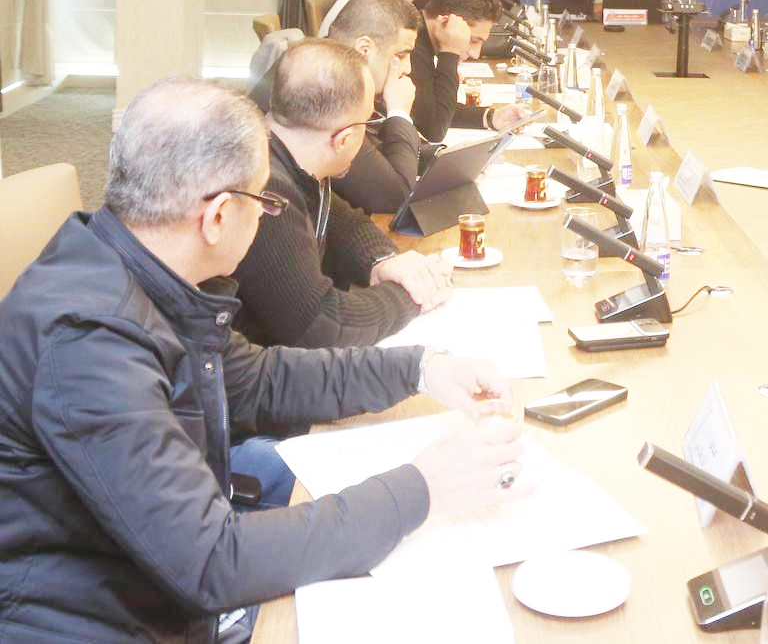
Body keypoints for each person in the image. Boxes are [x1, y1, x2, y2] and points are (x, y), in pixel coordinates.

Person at [0, 77, 530, 641]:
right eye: (265, 202)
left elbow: (256, 379)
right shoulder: (90, 345)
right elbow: (212, 562)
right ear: (218, 216)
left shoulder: (137, 267)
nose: (266, 217)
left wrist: (421, 368)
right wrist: (425, 489)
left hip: (150, 570)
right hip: (105, 618)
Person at [232, 40, 452, 348]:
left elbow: (345, 223)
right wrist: (411, 294)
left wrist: (383, 261)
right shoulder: (266, 189)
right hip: (256, 369)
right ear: (344, 139)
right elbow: (321, 325)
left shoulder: (289, 156)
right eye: (368, 121)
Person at [326, 0, 425, 213]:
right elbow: (394, 196)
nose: (408, 68)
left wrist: (446, 161)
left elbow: (379, 148)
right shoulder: (326, 94)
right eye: (401, 55)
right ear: (363, 50)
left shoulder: (334, 68)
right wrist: (399, 113)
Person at [410, 0, 529, 142]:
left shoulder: (421, 36)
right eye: (473, 40)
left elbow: (432, 109)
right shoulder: (412, 46)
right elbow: (434, 128)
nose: (475, 54)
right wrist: (450, 52)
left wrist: (490, 117)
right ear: (447, 23)